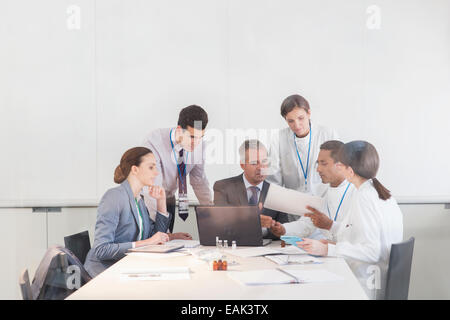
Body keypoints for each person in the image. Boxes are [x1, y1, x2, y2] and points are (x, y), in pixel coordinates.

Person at [296, 141, 403, 300]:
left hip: (367, 284)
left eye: (340, 164)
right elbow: (358, 233)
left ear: (350, 170)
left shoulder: (364, 197)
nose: (337, 167)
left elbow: (372, 252)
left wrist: (327, 250)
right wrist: (331, 233)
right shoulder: (377, 192)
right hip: (376, 279)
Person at [84, 147, 171, 277]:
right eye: (151, 167)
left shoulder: (139, 200)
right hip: (104, 271)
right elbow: (101, 250)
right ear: (135, 169)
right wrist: (147, 242)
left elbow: (155, 236)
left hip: (127, 268)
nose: (156, 173)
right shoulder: (114, 197)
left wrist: (161, 202)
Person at [142, 105, 212, 238]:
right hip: (147, 200)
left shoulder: (200, 146)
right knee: (154, 242)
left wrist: (212, 213)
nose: (196, 143)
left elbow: (199, 181)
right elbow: (151, 189)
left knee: (166, 248)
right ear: (179, 130)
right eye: (192, 137)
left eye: (200, 137)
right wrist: (167, 235)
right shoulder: (153, 141)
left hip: (168, 199)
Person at [267, 94, 338, 221]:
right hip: (293, 210)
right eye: (290, 121)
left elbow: (338, 173)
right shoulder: (279, 138)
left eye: (301, 118)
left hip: (325, 206)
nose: (297, 125)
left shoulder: (328, 134)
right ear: (285, 120)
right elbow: (273, 180)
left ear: (309, 113)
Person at [269, 140, 355, 241]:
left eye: (324, 164)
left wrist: (330, 225)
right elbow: (306, 224)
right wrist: (283, 229)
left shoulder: (358, 192)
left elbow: (359, 234)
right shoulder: (319, 191)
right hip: (328, 252)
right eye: (318, 164)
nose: (318, 169)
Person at [213, 139, 289, 239]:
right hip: (235, 248)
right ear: (242, 165)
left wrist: (275, 229)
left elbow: (283, 230)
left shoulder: (277, 193)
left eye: (264, 162)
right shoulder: (223, 187)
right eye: (254, 163)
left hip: (267, 250)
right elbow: (220, 225)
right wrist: (253, 222)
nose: (261, 167)